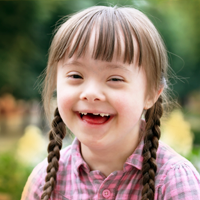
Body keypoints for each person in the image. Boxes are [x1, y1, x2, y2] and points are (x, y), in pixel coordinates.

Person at [21, 6, 200, 200]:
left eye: (115, 79)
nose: (90, 94)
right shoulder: (44, 180)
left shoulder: (175, 182)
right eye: (75, 75)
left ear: (151, 94)